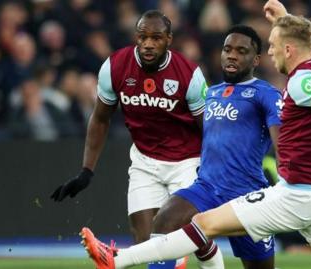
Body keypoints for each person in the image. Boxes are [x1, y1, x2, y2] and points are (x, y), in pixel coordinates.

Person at [79, 1, 311, 269]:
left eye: (272, 45)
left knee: (207, 230)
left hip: (290, 193)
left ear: (288, 50)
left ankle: (118, 260)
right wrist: (286, 18)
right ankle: (118, 260)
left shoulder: (296, 83)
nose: (270, 51)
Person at [50, 10, 219, 269]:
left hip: (187, 161)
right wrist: (87, 170)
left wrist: (214, 170)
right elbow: (100, 118)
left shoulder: (189, 74)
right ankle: (175, 260)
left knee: (182, 234)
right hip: (144, 160)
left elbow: (208, 128)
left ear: (169, 39)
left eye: (156, 38)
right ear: (136, 37)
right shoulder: (115, 66)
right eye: (142, 37)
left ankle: (121, 260)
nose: (148, 44)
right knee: (146, 244)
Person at [148, 25, 281, 269]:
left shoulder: (267, 94)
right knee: (164, 220)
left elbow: (282, 141)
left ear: (256, 60)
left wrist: (287, 186)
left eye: (241, 51)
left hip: (247, 195)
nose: (232, 55)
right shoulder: (211, 93)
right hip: (207, 188)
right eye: (227, 49)